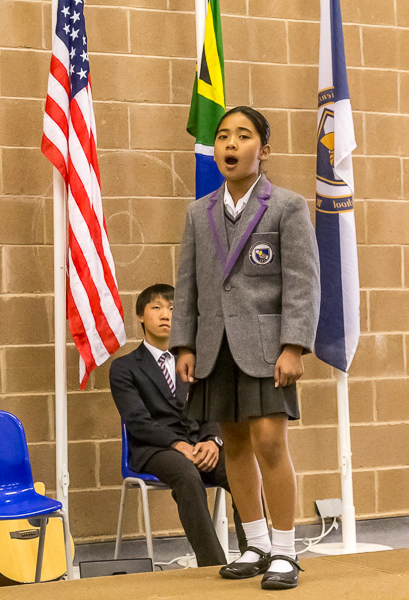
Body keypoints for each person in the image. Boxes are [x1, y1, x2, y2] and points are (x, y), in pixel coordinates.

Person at [170, 106, 320, 590]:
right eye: (223, 137)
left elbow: (302, 282)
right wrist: (184, 343)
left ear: (265, 150)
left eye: (243, 136)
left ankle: (284, 550)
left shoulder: (287, 207)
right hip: (215, 347)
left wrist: (293, 345)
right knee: (233, 442)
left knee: (270, 443)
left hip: (265, 346)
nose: (230, 145)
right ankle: (254, 542)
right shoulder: (199, 212)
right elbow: (188, 283)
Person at [110, 283, 245, 567]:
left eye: (173, 309)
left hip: (201, 443)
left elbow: (213, 409)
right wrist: (178, 444)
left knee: (243, 468)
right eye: (156, 308)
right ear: (140, 317)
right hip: (155, 449)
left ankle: (256, 552)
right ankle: (213, 564)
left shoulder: (197, 361)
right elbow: (137, 421)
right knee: (187, 474)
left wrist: (212, 441)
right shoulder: (125, 368)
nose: (165, 315)